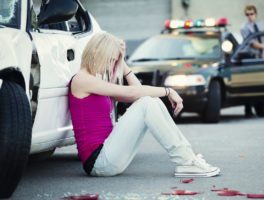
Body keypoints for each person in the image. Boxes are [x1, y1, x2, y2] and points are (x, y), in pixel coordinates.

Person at [68, 32, 220, 178]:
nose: (112, 65)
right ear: (95, 52)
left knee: (151, 100)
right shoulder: (82, 80)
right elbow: (133, 92)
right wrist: (168, 91)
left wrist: (123, 63)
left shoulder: (96, 82)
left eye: (114, 61)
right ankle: (186, 161)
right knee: (147, 103)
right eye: (110, 60)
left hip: (110, 152)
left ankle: (188, 157)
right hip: (99, 161)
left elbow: (139, 92)